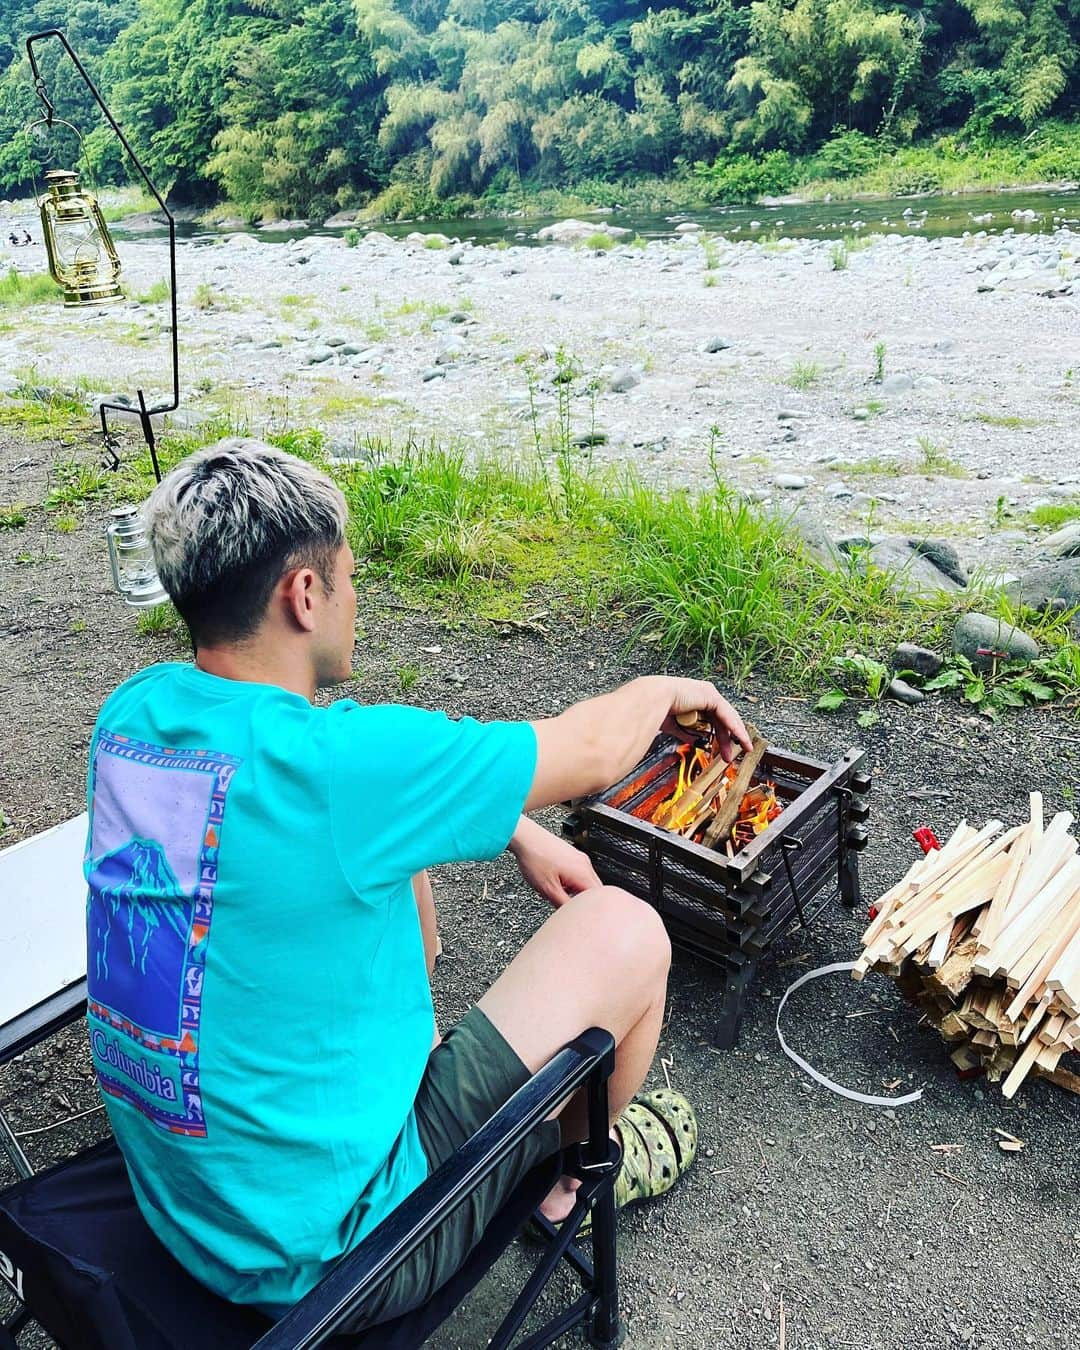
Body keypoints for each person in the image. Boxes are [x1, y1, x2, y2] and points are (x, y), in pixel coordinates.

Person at [84, 438, 751, 1331]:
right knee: (627, 930)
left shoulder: (131, 715)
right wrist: (673, 686)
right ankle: (569, 1178)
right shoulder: (341, 768)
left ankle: (421, 1065)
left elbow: (336, 803)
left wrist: (513, 831)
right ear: (305, 595)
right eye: (349, 578)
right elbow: (590, 751)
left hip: (186, 1205)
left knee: (390, 857)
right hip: (338, 1257)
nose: (356, 601)